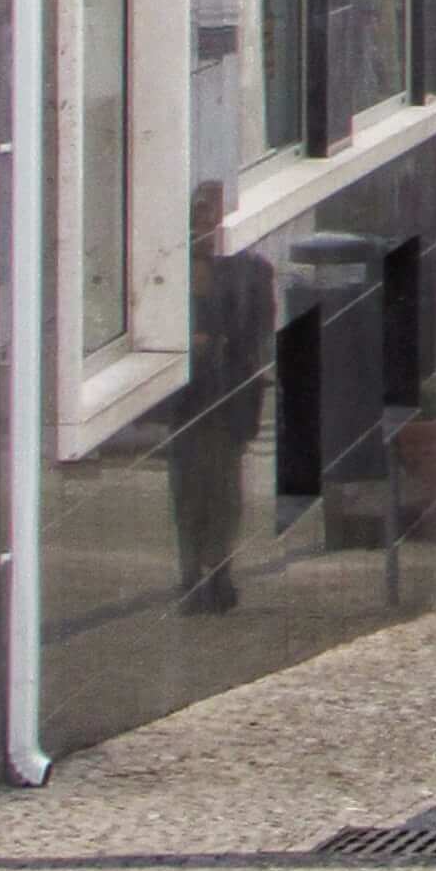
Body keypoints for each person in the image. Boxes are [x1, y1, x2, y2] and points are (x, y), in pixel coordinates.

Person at [170, 183, 275, 614]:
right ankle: (191, 574)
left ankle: (218, 571)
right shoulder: (175, 268)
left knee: (223, 489)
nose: (206, 223)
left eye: (213, 214)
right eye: (200, 213)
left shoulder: (252, 271)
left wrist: (219, 344)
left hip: (228, 397)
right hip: (187, 399)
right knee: (188, 490)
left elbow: (257, 336)